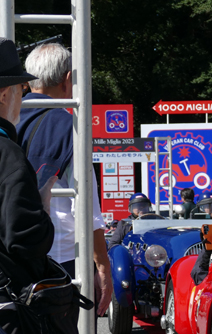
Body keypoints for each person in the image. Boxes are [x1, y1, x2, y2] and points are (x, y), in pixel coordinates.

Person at [17, 42, 112, 318]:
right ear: (68, 79)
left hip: (10, 258)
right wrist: (102, 267)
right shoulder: (72, 131)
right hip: (61, 263)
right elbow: (86, 212)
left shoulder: (8, 119)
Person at [0, 37, 55, 334]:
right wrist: (43, 210)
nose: (23, 97)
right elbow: (26, 239)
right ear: (4, 94)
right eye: (21, 89)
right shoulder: (7, 154)